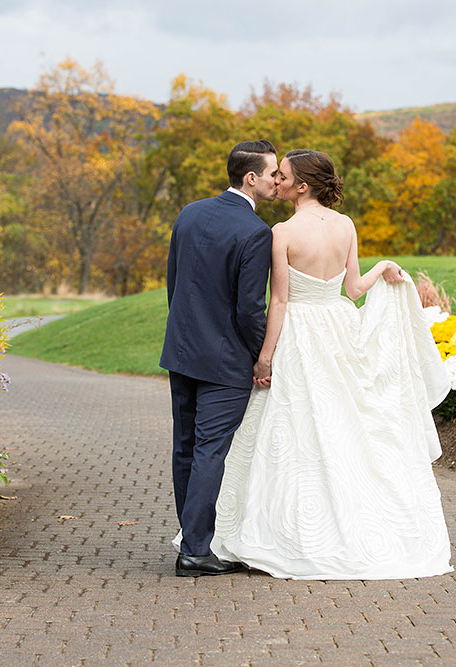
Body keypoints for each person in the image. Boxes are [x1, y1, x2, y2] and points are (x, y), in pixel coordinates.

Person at [207, 149, 453, 579]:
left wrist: (264, 357)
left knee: (297, 426)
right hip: (339, 327)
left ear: (302, 186)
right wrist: (383, 268)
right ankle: (355, 524)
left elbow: (280, 301)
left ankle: (293, 534)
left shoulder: (280, 231)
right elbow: (354, 289)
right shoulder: (346, 225)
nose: (276, 181)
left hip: (301, 332)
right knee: (343, 424)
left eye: (282, 176)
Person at [159, 140, 278, 577]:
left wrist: (184, 335)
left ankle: (192, 539)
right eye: (271, 174)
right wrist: (261, 355)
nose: (276, 181)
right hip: (226, 361)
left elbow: (174, 282)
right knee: (211, 450)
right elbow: (250, 308)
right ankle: (194, 549)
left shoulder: (189, 213)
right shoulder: (255, 232)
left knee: (185, 447)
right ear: (251, 178)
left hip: (182, 350)